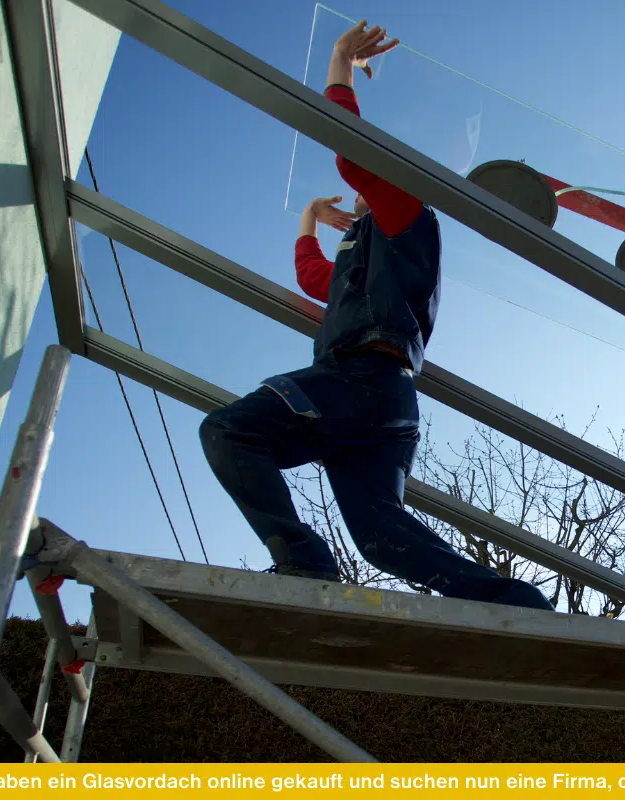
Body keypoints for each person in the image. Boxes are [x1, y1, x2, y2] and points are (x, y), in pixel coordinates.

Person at [199, 21, 553, 612]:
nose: (361, 198)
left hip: (361, 382)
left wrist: (339, 61)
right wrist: (308, 219)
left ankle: (305, 561)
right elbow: (314, 278)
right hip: (383, 404)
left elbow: (353, 152)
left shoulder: (407, 209)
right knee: (384, 542)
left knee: (229, 430)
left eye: (367, 194)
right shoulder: (367, 250)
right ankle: (521, 606)